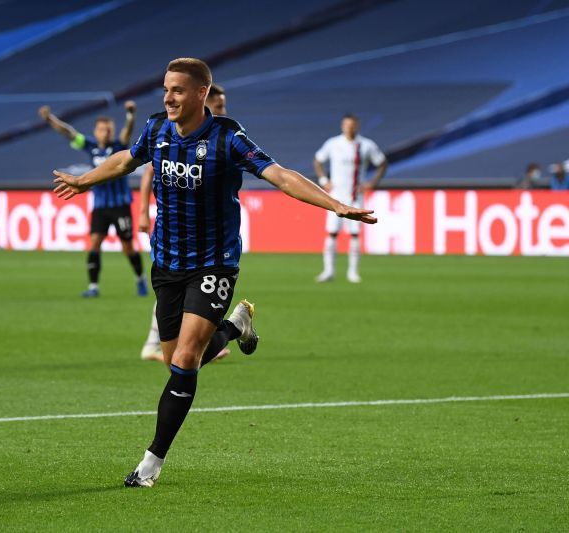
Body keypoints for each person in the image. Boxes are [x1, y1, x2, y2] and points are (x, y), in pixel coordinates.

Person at [53, 58, 376, 488]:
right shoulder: (156, 130)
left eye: (178, 90)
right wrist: (84, 180)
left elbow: (279, 174)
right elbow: (125, 160)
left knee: (186, 359)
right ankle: (235, 325)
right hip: (167, 263)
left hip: (214, 262)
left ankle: (150, 464)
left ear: (201, 94)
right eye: (166, 89)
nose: (168, 97)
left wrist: (334, 203)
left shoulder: (227, 138)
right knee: (178, 363)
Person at [138, 83, 229, 363]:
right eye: (221, 105)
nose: (224, 110)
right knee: (172, 292)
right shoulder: (171, 133)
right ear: (206, 102)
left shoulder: (223, 137)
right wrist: (143, 210)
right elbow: (147, 170)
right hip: (175, 237)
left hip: (208, 244)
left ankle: (179, 346)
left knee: (185, 308)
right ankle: (159, 344)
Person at [40, 102, 147, 298]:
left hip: (120, 204)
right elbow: (68, 132)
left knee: (127, 246)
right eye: (101, 129)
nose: (105, 133)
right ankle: (93, 286)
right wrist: (50, 119)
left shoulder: (118, 146)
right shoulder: (90, 146)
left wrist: (130, 116)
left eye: (108, 129)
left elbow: (126, 133)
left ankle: (140, 278)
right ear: (95, 131)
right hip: (100, 206)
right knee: (95, 242)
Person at [313, 114, 387, 283]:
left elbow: (382, 163)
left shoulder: (366, 145)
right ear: (342, 126)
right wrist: (324, 180)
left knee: (354, 234)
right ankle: (328, 270)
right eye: (346, 125)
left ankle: (353, 272)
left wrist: (372, 183)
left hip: (355, 196)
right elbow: (318, 161)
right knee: (331, 233)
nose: (349, 128)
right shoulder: (333, 144)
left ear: (357, 126)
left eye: (352, 125)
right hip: (335, 198)